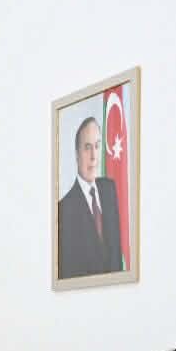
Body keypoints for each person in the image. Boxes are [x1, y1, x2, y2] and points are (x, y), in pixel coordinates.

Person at [57, 116, 124, 280]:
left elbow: (116, 256)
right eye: (87, 148)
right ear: (77, 155)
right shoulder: (64, 209)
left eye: (97, 146)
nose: (94, 156)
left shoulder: (109, 190)